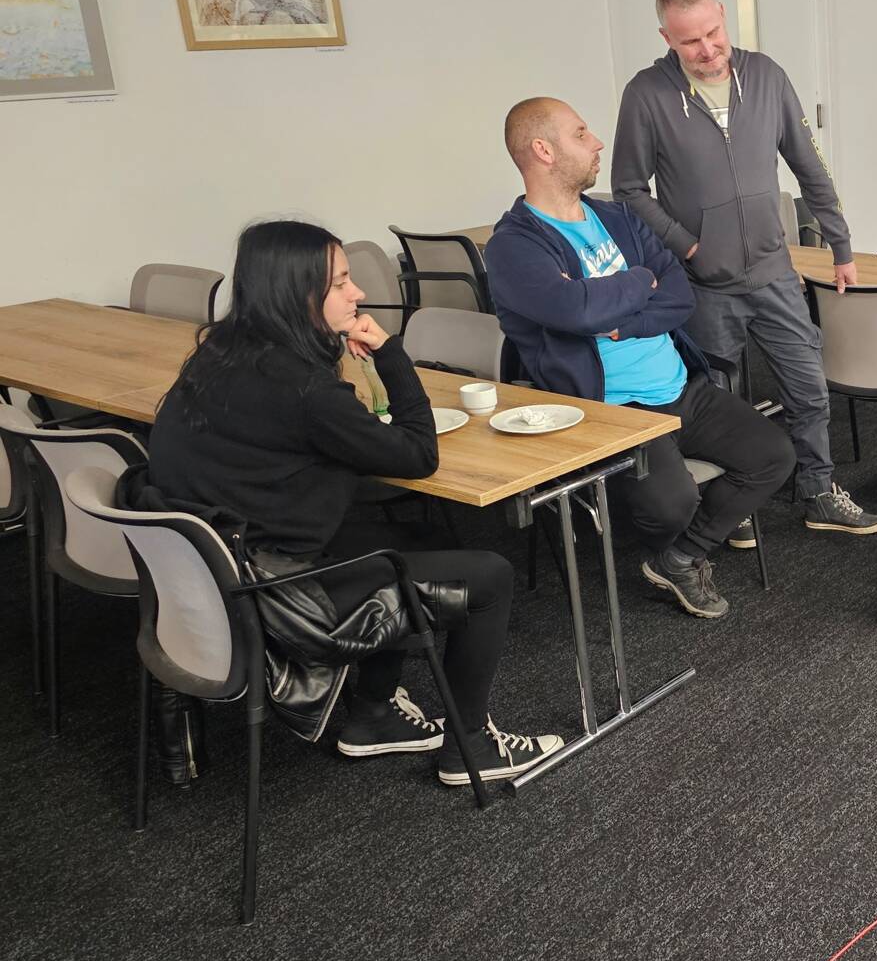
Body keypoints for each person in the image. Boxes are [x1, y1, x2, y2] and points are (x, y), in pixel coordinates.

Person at [144, 220, 563, 786]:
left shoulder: (216, 356)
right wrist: (390, 354)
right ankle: (472, 747)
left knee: (414, 541)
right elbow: (419, 455)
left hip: (220, 573)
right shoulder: (306, 390)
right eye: (341, 282)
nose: (358, 292)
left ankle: (371, 715)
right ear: (297, 293)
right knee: (490, 576)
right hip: (277, 593)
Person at [485, 98, 794, 621]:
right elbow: (576, 310)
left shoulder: (618, 217)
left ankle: (679, 558)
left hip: (680, 388)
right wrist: (638, 278)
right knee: (673, 504)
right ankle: (685, 538)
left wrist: (621, 318)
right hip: (611, 411)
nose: (597, 142)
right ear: (543, 150)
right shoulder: (513, 245)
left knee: (774, 455)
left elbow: (678, 294)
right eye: (580, 134)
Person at [610, 0, 877, 541]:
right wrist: (686, 243)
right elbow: (629, 189)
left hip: (773, 272)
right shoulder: (647, 94)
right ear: (666, 38)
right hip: (703, 283)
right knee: (720, 402)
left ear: (722, 16)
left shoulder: (766, 76)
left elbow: (810, 166)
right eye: (690, 41)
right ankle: (731, 508)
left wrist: (840, 243)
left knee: (808, 387)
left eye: (714, 32)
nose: (708, 49)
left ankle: (818, 491)